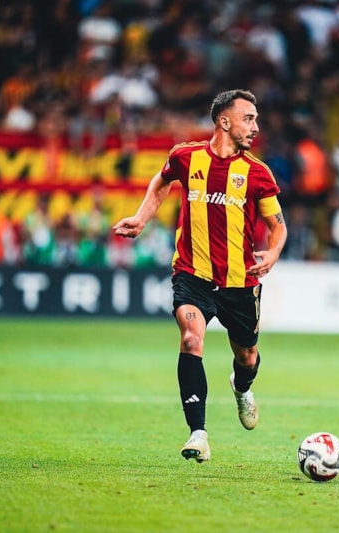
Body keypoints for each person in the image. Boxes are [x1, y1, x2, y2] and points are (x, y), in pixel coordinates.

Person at [113, 89, 287, 463]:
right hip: (193, 273)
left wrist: (273, 253)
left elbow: (278, 226)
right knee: (191, 339)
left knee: (247, 356)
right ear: (224, 121)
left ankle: (242, 388)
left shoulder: (257, 173)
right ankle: (198, 434)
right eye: (249, 118)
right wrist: (141, 218)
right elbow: (161, 181)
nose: (255, 127)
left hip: (240, 281)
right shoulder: (185, 157)